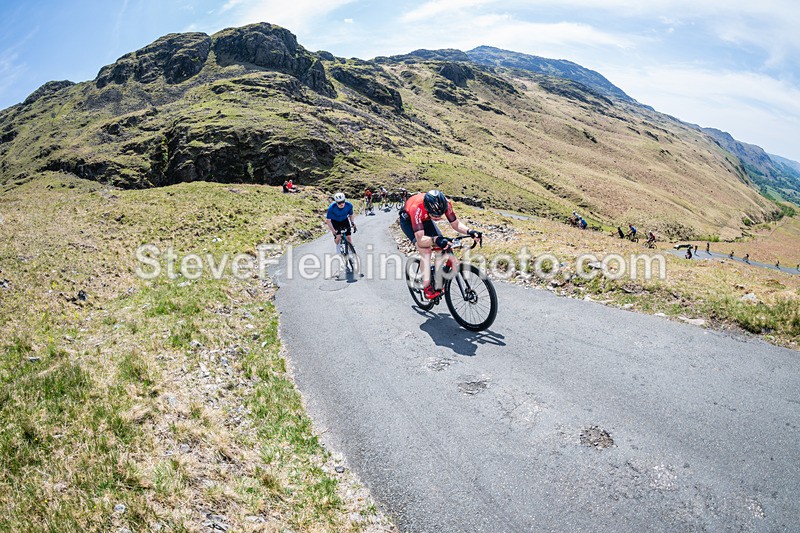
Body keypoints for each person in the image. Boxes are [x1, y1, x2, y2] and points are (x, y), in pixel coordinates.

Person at [399, 190, 481, 300]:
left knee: (443, 248)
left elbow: (455, 224)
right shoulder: (416, 208)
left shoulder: (445, 204)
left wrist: (470, 231)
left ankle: (436, 273)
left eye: (440, 215)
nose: (438, 218)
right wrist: (436, 240)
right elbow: (420, 239)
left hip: (426, 219)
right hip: (409, 221)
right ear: (428, 208)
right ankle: (427, 286)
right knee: (426, 250)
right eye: (435, 216)